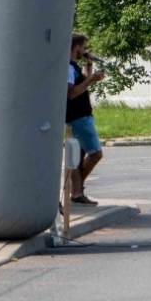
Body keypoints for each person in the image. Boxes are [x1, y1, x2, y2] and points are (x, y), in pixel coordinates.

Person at [67, 33, 105, 206]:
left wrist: (88, 66)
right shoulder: (68, 67)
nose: (84, 50)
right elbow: (72, 92)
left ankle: (76, 193)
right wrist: (91, 79)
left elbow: (82, 79)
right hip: (79, 118)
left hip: (79, 117)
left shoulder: (73, 66)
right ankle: (77, 189)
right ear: (76, 47)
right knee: (96, 153)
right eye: (83, 47)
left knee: (76, 157)